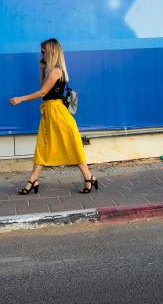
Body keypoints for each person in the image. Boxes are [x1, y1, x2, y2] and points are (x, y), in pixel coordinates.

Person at [9, 38, 99, 195]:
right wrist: (41, 68)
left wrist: (20, 99)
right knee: (43, 146)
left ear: (50, 52)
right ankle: (33, 180)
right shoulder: (51, 70)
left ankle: (89, 177)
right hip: (49, 112)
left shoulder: (57, 71)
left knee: (70, 145)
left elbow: (43, 92)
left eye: (43, 51)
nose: (41, 54)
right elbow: (43, 89)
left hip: (57, 112)